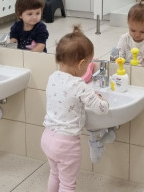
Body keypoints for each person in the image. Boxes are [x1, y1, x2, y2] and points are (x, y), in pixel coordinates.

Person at [41, 25, 109, 192]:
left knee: (54, 174)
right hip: (66, 144)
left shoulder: (53, 77)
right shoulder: (79, 85)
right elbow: (101, 109)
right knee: (68, 184)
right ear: (81, 64)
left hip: (47, 138)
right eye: (89, 63)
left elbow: (67, 98)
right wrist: (103, 100)